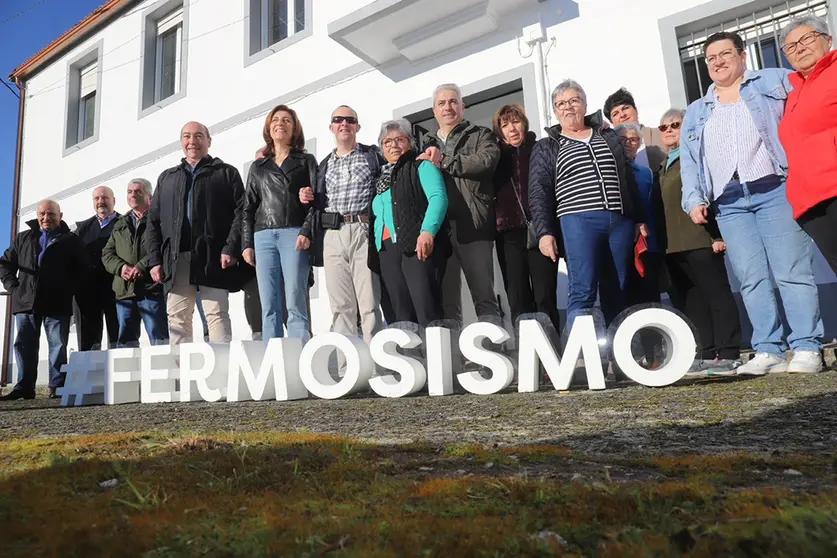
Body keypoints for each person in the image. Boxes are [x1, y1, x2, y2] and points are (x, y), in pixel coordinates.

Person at [681, 31, 824, 375]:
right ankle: (768, 349)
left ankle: (807, 346)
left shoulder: (773, 81)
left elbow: (811, 98)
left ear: (743, 56)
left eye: (725, 54)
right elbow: (690, 160)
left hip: (774, 189)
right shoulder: (697, 110)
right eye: (711, 58)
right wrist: (694, 198)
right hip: (728, 201)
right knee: (751, 278)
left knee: (792, 270)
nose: (718, 62)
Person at [529, 80, 647, 329]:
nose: (568, 107)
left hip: (619, 222)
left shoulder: (607, 136)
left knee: (619, 288)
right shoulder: (547, 146)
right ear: (555, 111)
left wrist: (638, 219)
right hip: (578, 221)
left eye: (574, 100)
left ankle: (617, 349)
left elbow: (626, 177)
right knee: (582, 289)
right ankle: (580, 349)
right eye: (561, 104)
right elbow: (538, 192)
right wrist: (544, 233)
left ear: (584, 104)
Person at [656, 109, 742, 374]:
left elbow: (713, 195)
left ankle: (728, 352)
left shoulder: (696, 158)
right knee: (692, 303)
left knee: (717, 297)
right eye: (663, 127)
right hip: (674, 247)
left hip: (701, 240)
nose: (669, 130)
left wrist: (716, 234)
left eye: (675, 124)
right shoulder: (662, 166)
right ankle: (704, 352)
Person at [145, 121, 245, 344]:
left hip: (214, 256)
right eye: (187, 136)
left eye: (199, 136)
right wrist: (155, 260)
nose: (193, 141)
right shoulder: (167, 178)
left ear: (209, 141)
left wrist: (231, 248)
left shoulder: (226, 173)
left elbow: (241, 213)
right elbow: (153, 222)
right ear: (181, 142)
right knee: (177, 318)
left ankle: (221, 364)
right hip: (176, 259)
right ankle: (182, 366)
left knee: (216, 314)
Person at [299, 106, 383, 344]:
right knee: (340, 305)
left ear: (357, 126)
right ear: (331, 127)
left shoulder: (372, 155)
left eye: (349, 120)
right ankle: (348, 361)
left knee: (369, 301)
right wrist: (306, 196)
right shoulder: (324, 165)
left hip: (362, 230)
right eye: (338, 120)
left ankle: (376, 358)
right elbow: (317, 202)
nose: (344, 123)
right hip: (333, 235)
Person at [421, 83, 501, 325]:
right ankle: (451, 349)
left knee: (484, 296)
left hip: (473, 224)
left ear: (462, 107)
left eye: (453, 101)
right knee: (447, 304)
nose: (448, 107)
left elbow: (486, 161)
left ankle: (493, 346)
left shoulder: (481, 135)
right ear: (434, 111)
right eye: (442, 103)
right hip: (440, 230)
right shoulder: (425, 143)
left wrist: (445, 161)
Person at [0, 200, 89, 400]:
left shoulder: (71, 240)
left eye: (51, 214)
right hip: (26, 302)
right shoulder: (24, 238)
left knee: (58, 345)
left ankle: (57, 386)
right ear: (37, 215)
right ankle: (24, 387)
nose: (46, 218)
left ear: (60, 216)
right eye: (42, 214)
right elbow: (5, 264)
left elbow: (83, 270)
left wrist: (67, 290)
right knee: (24, 345)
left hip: (57, 303)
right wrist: (14, 288)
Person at [242, 104, 316, 341]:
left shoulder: (306, 161)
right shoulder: (258, 166)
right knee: (269, 304)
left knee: (295, 299)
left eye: (286, 120)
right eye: (275, 120)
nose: (280, 124)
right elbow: (248, 207)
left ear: (294, 128)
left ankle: (300, 352)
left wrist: (307, 231)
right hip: (263, 236)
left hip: (294, 233)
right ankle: (271, 354)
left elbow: (317, 200)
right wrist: (247, 244)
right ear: (268, 127)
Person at [368, 119, 449, 326]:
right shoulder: (378, 179)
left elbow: (438, 198)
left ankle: (434, 348)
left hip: (416, 244)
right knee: (399, 314)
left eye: (400, 139)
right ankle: (408, 348)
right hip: (386, 250)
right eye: (387, 142)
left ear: (410, 143)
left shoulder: (421, 166)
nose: (393, 145)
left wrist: (428, 231)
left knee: (426, 308)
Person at [492, 103, 560, 332]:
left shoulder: (541, 149)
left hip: (541, 231)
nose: (512, 129)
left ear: (525, 124)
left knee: (545, 296)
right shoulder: (495, 156)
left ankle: (553, 348)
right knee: (518, 299)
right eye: (505, 125)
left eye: (516, 122)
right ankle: (527, 350)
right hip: (508, 234)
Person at [778, 15, 837, 276]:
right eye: (791, 47)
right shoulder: (793, 94)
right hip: (811, 203)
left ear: (828, 39)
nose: (799, 48)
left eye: (806, 39)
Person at [615, 122, 664, 366]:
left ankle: (654, 355)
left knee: (649, 299)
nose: (629, 144)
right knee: (623, 299)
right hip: (618, 242)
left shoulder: (646, 174)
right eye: (623, 139)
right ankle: (624, 358)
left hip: (645, 245)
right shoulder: (610, 170)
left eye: (634, 139)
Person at [101, 179, 169, 347]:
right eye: (129, 192)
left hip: (151, 289)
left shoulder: (160, 220)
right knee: (126, 343)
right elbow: (107, 253)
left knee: (159, 338)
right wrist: (121, 267)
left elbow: (164, 247)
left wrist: (141, 266)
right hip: (125, 292)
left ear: (149, 197)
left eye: (138, 192)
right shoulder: (120, 223)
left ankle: (163, 366)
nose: (132, 195)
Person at [73, 185, 120, 350]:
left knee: (118, 341)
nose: (101, 201)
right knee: (88, 345)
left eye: (105, 197)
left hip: (117, 290)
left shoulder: (124, 223)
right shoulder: (82, 229)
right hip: (87, 292)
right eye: (97, 198)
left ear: (114, 201)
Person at [603, 87, 667, 172]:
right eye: (615, 114)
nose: (622, 115)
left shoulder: (661, 134)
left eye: (625, 108)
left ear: (636, 110)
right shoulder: (610, 146)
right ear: (611, 122)